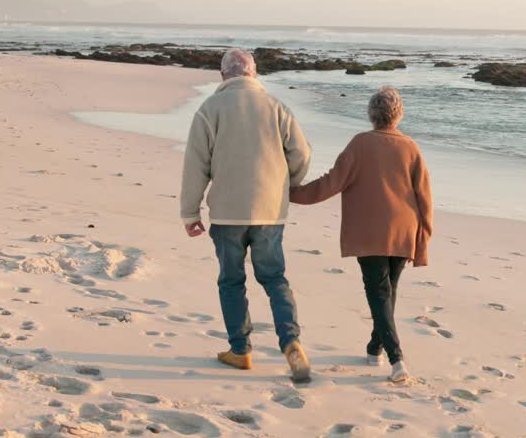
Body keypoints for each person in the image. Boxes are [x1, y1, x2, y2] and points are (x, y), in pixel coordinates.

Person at [180, 48, 313, 382]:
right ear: (253, 73)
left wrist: (190, 212)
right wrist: (287, 184)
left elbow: (196, 165)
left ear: (224, 75)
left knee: (231, 280)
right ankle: (291, 341)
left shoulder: (210, 109)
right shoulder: (277, 108)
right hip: (270, 211)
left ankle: (240, 351)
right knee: (274, 278)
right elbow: (301, 154)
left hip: (227, 213)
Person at [290, 86, 432, 383]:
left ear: (371, 114)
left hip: (370, 231)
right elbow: (424, 198)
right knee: (387, 292)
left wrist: (292, 194)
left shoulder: (359, 144)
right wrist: (423, 240)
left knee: (381, 293)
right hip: (404, 229)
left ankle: (397, 360)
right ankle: (374, 347)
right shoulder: (410, 147)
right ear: (399, 114)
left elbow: (331, 183)